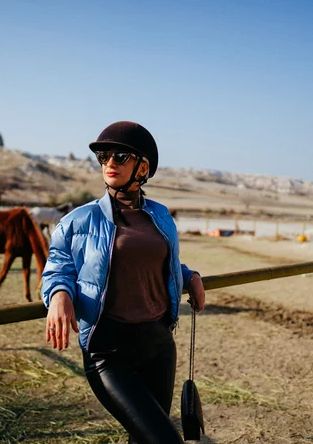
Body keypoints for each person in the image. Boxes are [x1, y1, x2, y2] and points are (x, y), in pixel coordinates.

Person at [41, 121, 206, 444]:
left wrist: (189, 276)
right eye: (103, 157)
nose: (109, 164)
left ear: (143, 167)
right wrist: (60, 293)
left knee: (142, 440)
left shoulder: (160, 215)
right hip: (108, 352)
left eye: (119, 156)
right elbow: (57, 267)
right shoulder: (78, 220)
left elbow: (162, 262)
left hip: (159, 344)